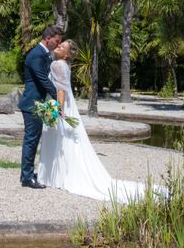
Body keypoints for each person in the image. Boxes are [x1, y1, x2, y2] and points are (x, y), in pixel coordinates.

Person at [35, 39, 148, 204]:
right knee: (64, 142)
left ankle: (54, 177)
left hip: (59, 106)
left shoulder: (57, 65)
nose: (58, 47)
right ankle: (58, 176)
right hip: (68, 106)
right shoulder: (64, 66)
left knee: (57, 140)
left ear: (67, 54)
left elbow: (60, 89)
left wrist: (57, 109)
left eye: (61, 47)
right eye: (59, 45)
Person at [17, 25, 63, 189]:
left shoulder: (45, 54)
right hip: (32, 103)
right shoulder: (37, 54)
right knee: (31, 140)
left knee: (34, 139)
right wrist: (58, 97)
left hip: (38, 103)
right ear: (48, 38)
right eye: (57, 41)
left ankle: (27, 173)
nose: (58, 44)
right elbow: (43, 80)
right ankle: (27, 178)